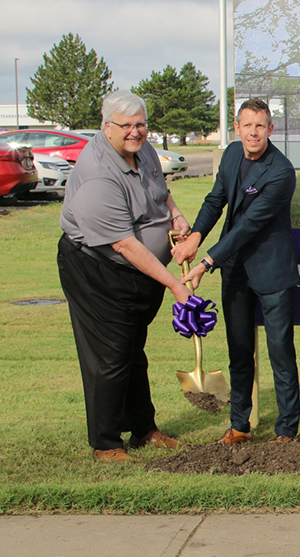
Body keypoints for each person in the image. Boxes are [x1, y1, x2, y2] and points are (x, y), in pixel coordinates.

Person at [58, 90, 191, 462]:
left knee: (133, 352)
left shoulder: (142, 149)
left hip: (134, 274)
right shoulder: (97, 177)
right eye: (126, 126)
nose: (135, 132)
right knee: (110, 355)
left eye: (140, 124)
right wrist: (175, 284)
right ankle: (105, 442)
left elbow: (160, 193)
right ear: (106, 127)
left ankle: (144, 430)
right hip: (98, 270)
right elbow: (125, 246)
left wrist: (177, 216)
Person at [175, 98, 300, 445]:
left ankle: (286, 429)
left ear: (270, 129)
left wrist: (205, 262)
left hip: (271, 270)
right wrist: (196, 236)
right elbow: (216, 200)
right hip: (236, 270)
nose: (253, 132)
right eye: (247, 125)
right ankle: (240, 426)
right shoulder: (231, 154)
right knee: (239, 350)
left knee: (280, 352)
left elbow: (248, 226)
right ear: (237, 128)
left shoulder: (281, 171)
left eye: (260, 126)